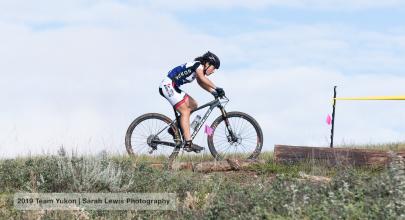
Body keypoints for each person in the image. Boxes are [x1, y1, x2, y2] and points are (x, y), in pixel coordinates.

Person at [159, 51, 225, 152]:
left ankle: (175, 128)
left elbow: (201, 81)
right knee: (185, 111)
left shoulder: (198, 68)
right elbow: (202, 78)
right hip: (168, 86)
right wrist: (216, 88)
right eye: (214, 67)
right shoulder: (198, 66)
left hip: (172, 86)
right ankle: (188, 143)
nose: (214, 71)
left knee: (194, 105)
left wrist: (213, 92)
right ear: (207, 64)